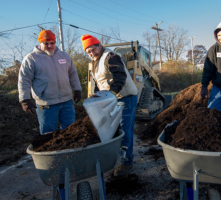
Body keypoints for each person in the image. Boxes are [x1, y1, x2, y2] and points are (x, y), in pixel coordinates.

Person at [81, 34, 138, 177]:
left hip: (125, 97)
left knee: (124, 130)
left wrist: (112, 93)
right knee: (112, 130)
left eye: (93, 50)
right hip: (111, 99)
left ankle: (126, 162)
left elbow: (120, 76)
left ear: (99, 45)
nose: (91, 53)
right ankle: (117, 157)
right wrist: (96, 95)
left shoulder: (110, 56)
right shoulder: (95, 60)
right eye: (88, 52)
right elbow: (100, 81)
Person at [18, 30, 82, 135]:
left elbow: (73, 74)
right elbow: (24, 80)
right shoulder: (31, 58)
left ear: (55, 42)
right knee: (48, 134)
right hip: (46, 104)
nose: (49, 45)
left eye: (52, 43)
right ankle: (52, 151)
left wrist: (77, 89)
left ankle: (69, 151)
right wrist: (24, 99)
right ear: (40, 43)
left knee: (70, 131)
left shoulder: (64, 56)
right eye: (46, 43)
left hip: (66, 102)